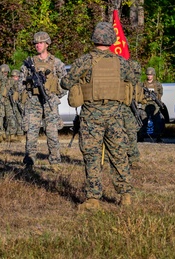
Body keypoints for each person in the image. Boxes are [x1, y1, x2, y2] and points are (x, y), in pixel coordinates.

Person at [61, 21, 136, 211]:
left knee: (92, 156)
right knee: (119, 154)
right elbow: (133, 79)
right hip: (115, 115)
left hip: (92, 115)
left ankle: (93, 199)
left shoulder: (85, 61)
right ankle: (125, 195)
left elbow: (66, 83)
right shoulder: (121, 61)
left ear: (94, 38)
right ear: (111, 40)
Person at [20, 32, 66, 168]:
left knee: (52, 133)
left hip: (50, 101)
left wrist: (56, 96)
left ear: (47, 44)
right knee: (31, 133)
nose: (37, 45)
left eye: (40, 43)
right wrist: (29, 85)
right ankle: (29, 161)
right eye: (36, 43)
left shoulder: (56, 63)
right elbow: (20, 83)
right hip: (33, 101)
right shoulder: (29, 63)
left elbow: (65, 82)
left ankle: (55, 162)